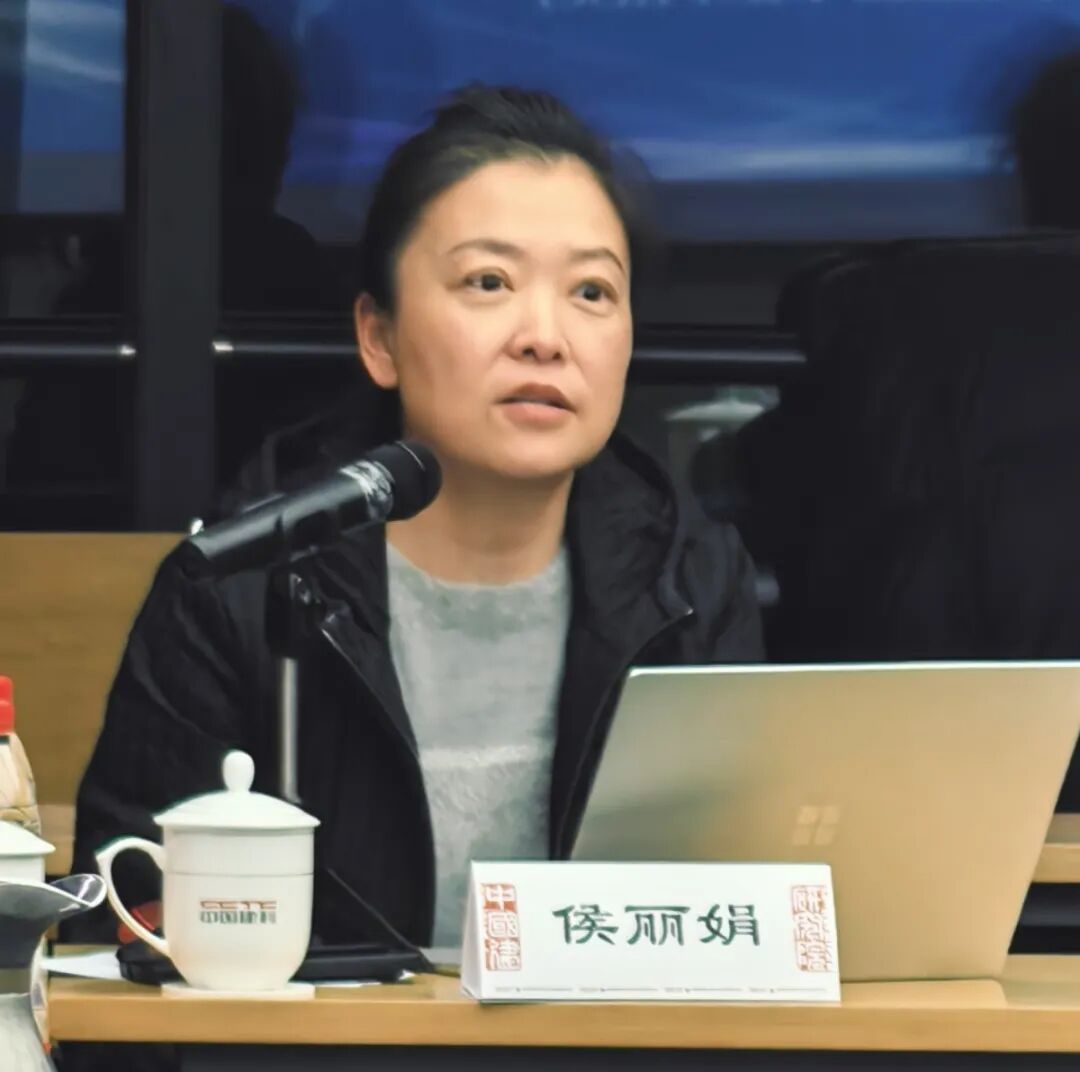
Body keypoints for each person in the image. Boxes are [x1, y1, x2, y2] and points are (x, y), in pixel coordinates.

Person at [69, 85, 763, 953]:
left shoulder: (691, 581)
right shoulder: (243, 585)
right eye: (489, 282)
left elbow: (748, 909)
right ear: (380, 338)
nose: (544, 336)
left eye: (592, 291)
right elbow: (123, 926)